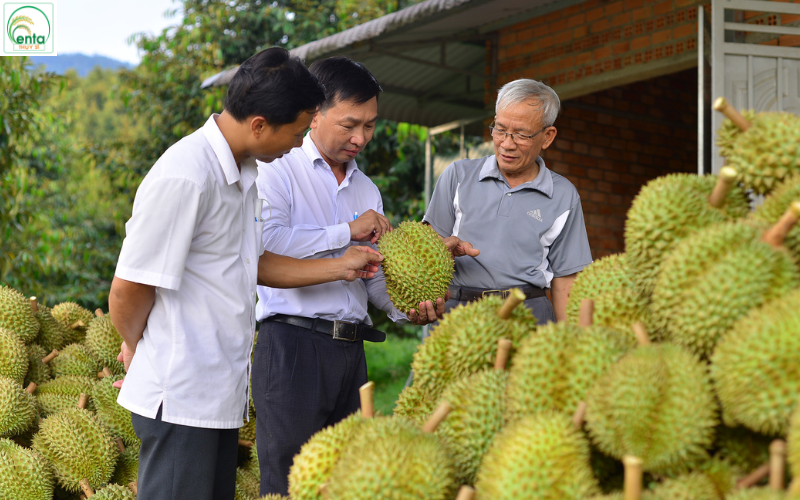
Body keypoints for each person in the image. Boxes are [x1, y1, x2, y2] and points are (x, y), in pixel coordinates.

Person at [108, 47, 384, 500]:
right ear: (259, 124)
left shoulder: (244, 173)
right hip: (180, 393)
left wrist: (343, 263)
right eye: (297, 132)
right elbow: (129, 289)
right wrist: (142, 348)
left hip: (218, 392)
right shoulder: (187, 176)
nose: (299, 143)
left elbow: (255, 263)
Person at [251, 56, 472, 496]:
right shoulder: (277, 169)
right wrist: (347, 231)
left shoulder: (366, 189)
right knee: (287, 481)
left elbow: (371, 276)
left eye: (370, 126)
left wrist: (410, 309)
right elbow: (265, 247)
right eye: (350, 124)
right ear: (315, 112)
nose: (360, 138)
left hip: (351, 351)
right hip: (291, 346)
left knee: (351, 479)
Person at [424, 78, 592, 324]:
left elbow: (566, 280)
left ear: (547, 137)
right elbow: (426, 246)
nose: (506, 143)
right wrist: (441, 248)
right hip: (459, 312)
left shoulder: (564, 195)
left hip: (528, 315)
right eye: (500, 129)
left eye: (521, 135)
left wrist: (574, 345)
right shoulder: (458, 175)